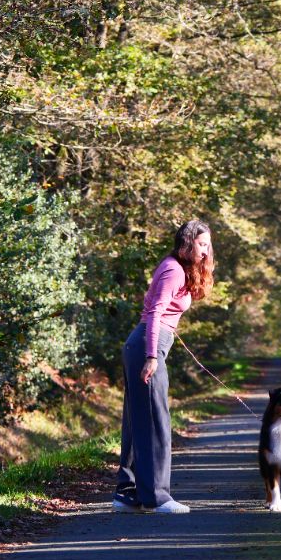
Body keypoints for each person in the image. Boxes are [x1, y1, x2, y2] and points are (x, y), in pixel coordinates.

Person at [112, 219, 213, 514]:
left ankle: (128, 493)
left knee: (137, 420)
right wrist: (152, 356)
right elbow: (155, 313)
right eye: (202, 244)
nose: (206, 251)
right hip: (147, 345)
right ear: (187, 242)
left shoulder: (178, 268)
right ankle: (157, 497)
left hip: (141, 345)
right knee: (156, 421)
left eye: (208, 245)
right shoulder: (172, 269)